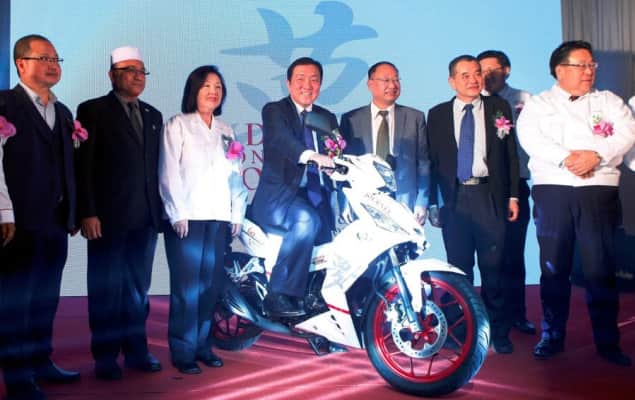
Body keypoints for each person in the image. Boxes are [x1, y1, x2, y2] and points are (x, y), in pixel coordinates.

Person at [517, 40, 635, 366]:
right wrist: (567, 159)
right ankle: (552, 335)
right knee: (553, 266)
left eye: (591, 65)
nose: (588, 71)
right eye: (581, 65)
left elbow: (627, 132)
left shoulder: (609, 100)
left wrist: (596, 155)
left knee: (600, 267)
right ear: (560, 70)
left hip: (598, 189)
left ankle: (608, 342)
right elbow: (530, 137)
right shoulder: (539, 104)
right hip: (553, 189)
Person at [75, 46, 163, 380]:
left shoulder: (153, 115)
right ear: (112, 75)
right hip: (107, 219)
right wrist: (87, 212)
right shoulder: (93, 110)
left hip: (144, 218)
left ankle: (137, 351)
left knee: (138, 291)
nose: (137, 76)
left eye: (141, 71)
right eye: (129, 70)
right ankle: (106, 357)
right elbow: (83, 166)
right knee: (106, 290)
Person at [0, 34, 80, 400]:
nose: (53, 65)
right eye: (44, 58)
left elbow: (68, 167)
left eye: (56, 59)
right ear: (21, 64)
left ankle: (41, 361)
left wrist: (73, 211)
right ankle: (18, 376)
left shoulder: (63, 113)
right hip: (17, 223)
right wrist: (4, 211)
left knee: (46, 297)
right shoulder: (5, 104)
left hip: (55, 221)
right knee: (16, 300)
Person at [427, 54, 520, 354]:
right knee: (458, 269)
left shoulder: (498, 107)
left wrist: (513, 195)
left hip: (489, 196)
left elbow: (510, 156)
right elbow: (431, 162)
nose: (473, 79)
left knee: (494, 267)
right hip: (454, 199)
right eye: (465, 75)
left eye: (477, 73)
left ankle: (498, 331)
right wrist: (433, 203)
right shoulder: (437, 114)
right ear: (452, 81)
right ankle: (458, 331)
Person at [159, 65, 247, 375]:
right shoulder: (178, 125)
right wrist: (177, 212)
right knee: (187, 289)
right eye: (207, 85)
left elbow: (235, 174)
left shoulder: (226, 130)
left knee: (210, 287)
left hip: (219, 218)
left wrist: (237, 213)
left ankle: (202, 346)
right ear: (193, 90)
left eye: (218, 87)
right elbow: (168, 171)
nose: (213, 91)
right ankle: (183, 350)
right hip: (188, 218)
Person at [250, 57, 338, 318]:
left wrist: (338, 163)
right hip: (281, 198)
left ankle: (316, 299)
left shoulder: (327, 117)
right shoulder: (275, 111)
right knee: (306, 221)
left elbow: (338, 150)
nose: (307, 85)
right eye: (300, 79)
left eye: (314, 80)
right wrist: (311, 156)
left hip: (318, 196)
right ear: (288, 83)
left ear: (320, 85)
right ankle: (278, 294)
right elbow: (282, 140)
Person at [477, 50, 535, 335]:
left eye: (493, 69)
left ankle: (516, 314)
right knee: (488, 255)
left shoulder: (524, 100)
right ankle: (488, 315)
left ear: (507, 70)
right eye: (482, 70)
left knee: (513, 253)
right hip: (482, 188)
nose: (487, 75)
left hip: (515, 185)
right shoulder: (472, 102)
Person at [340, 61, 430, 223]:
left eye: (396, 80)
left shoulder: (414, 117)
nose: (393, 85)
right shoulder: (351, 119)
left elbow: (423, 163)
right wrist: (345, 202)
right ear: (370, 84)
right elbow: (346, 164)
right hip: (364, 199)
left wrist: (422, 202)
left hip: (405, 200)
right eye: (386, 80)